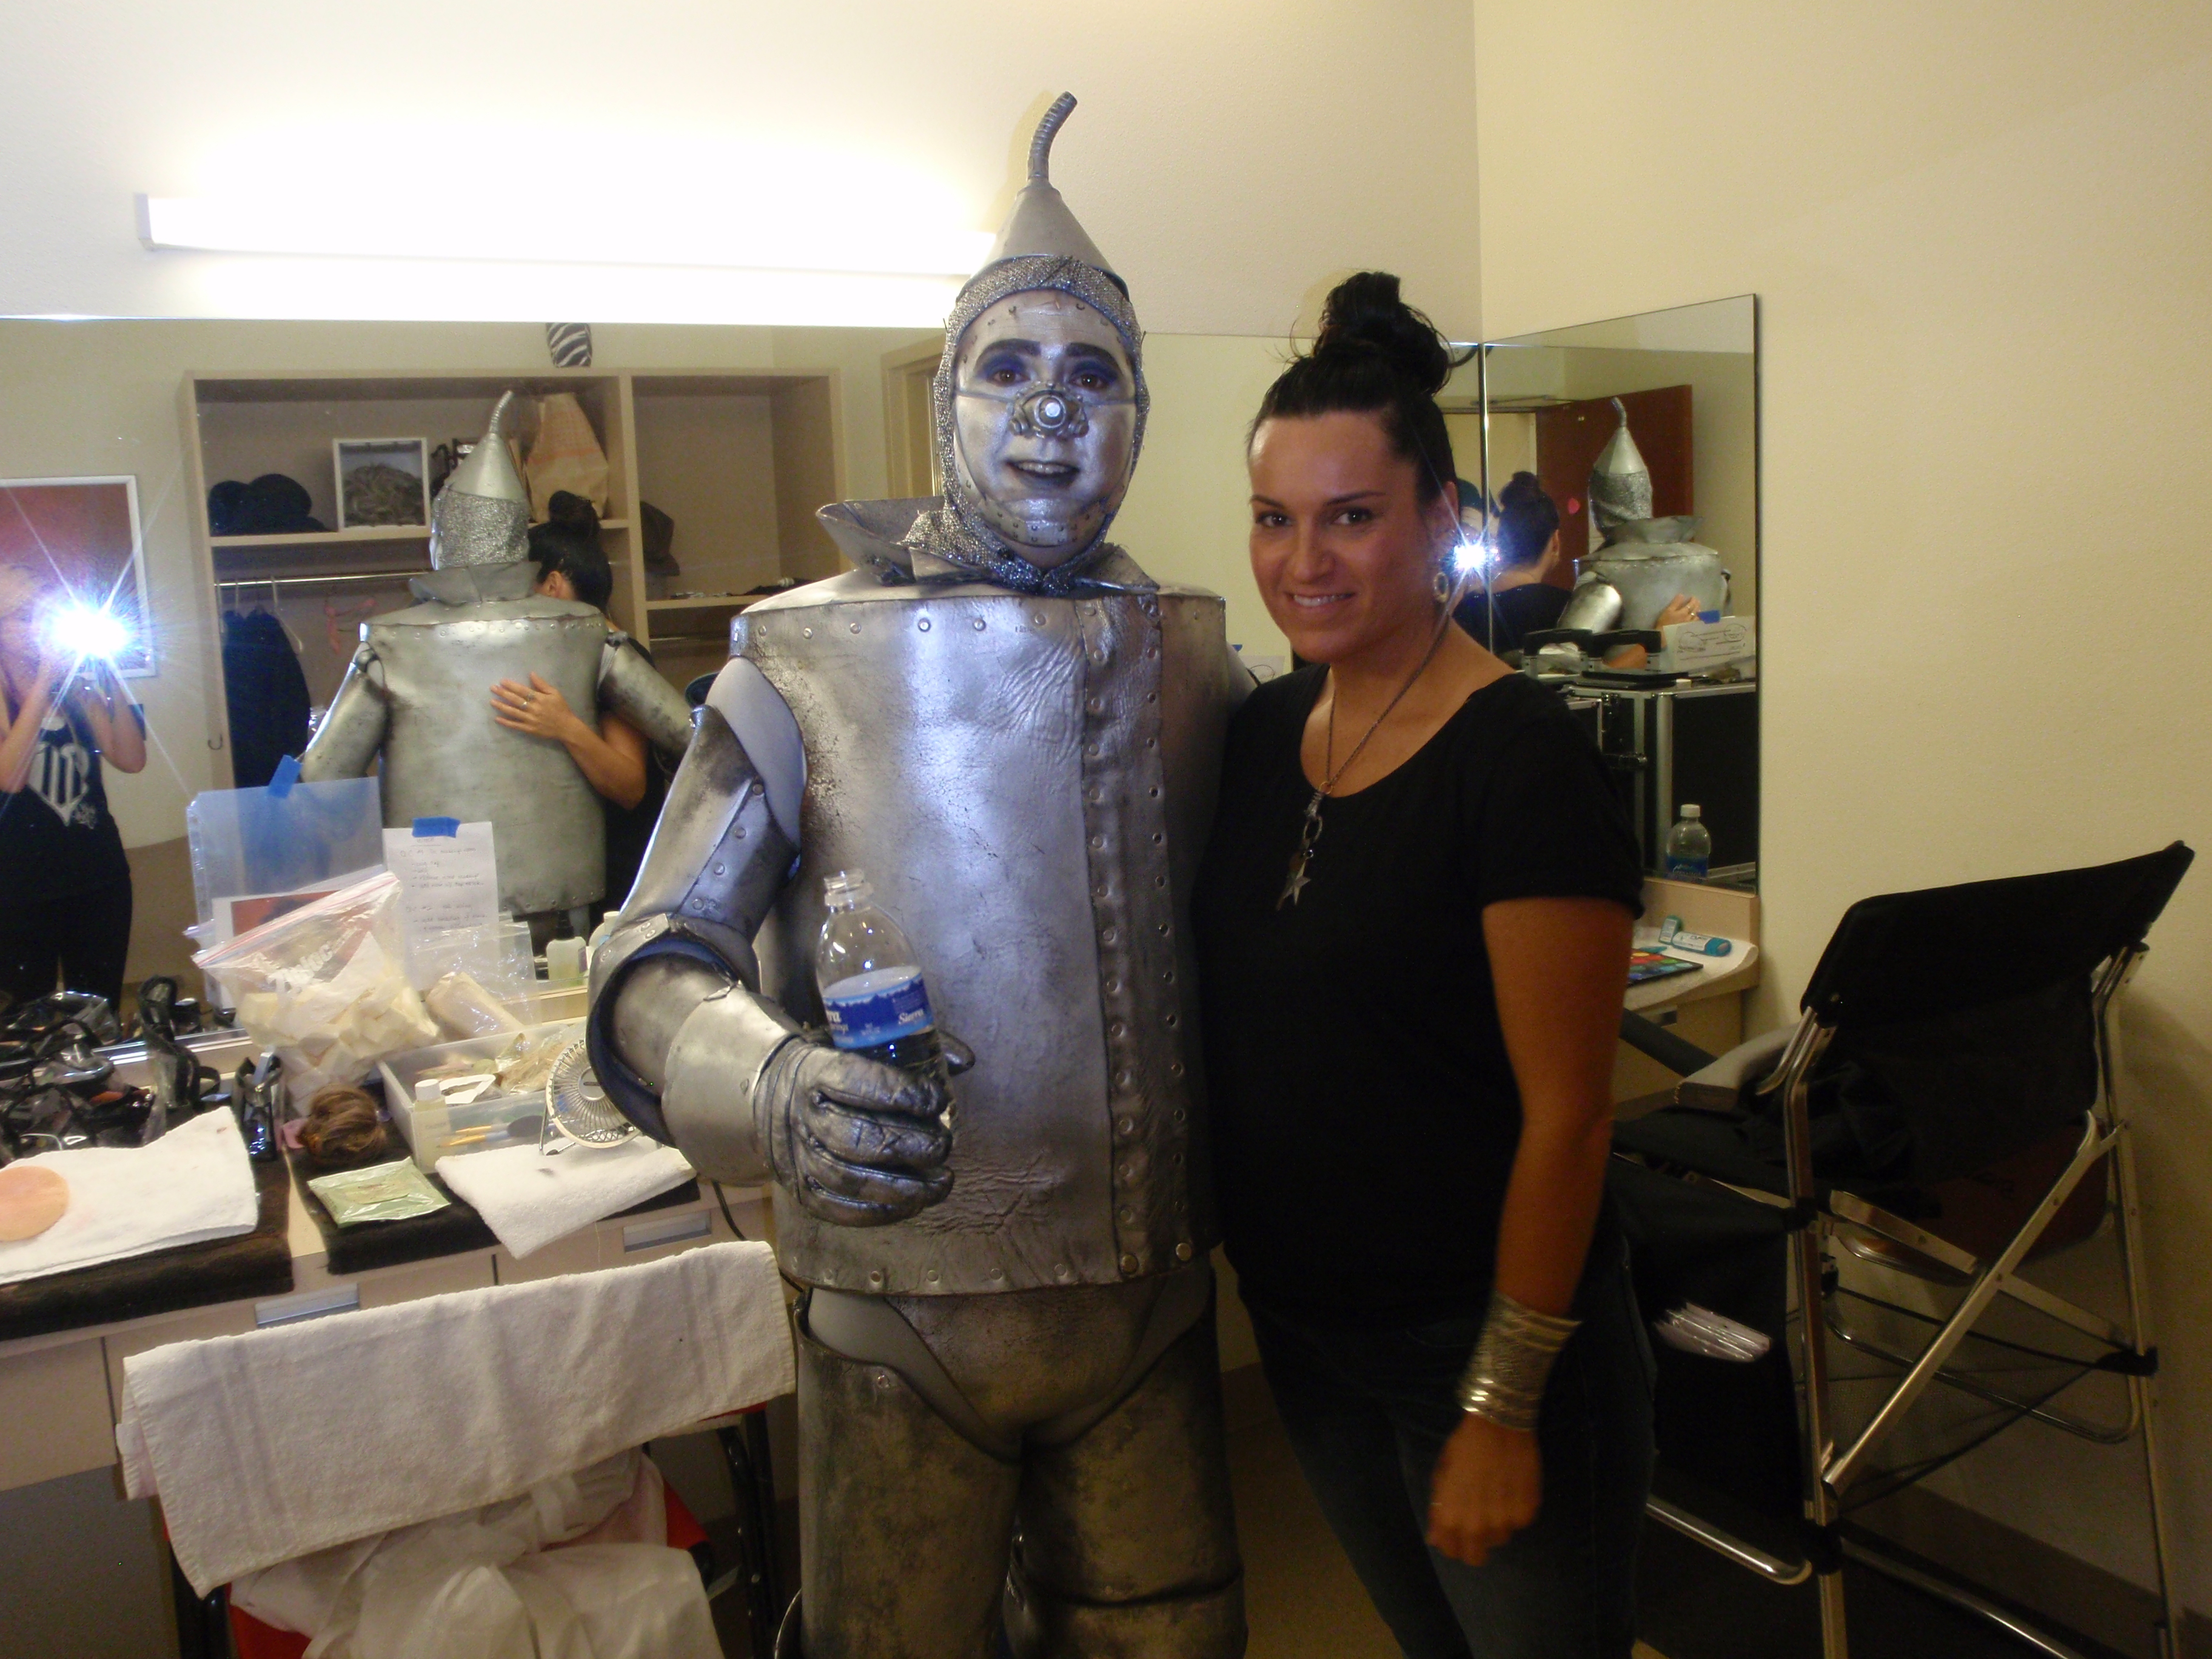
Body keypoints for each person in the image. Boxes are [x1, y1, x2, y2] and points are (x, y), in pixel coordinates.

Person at [586, 96, 1249, 1658]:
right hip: (902, 1310)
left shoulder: (1200, 658)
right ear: (945, 403)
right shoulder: (802, 660)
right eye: (1006, 368)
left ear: (1140, 414)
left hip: (1151, 1304)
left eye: (1092, 372)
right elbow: (654, 960)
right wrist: (772, 1086)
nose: (1050, 407)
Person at [1195, 271, 1654, 1659]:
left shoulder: (1521, 763)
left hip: (1480, 1342)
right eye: (1274, 517)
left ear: (1442, 519)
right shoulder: (1261, 733)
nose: (1303, 560)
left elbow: (1571, 1115)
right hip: (1309, 1331)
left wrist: (1502, 1404)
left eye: (1352, 516)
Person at [487, 492, 665, 909]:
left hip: (622, 879)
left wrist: (564, 726)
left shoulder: (615, 656)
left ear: (552, 585)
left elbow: (630, 787)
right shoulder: (569, 658)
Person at [0, 565, 148, 1012]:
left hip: (98, 876)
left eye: (45, 615)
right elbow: (11, 778)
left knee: (100, 1010)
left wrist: (109, 674)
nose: (38, 627)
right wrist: (44, 680)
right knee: (28, 1018)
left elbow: (131, 758)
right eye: (24, 615)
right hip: (20, 887)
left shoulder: (76, 688)